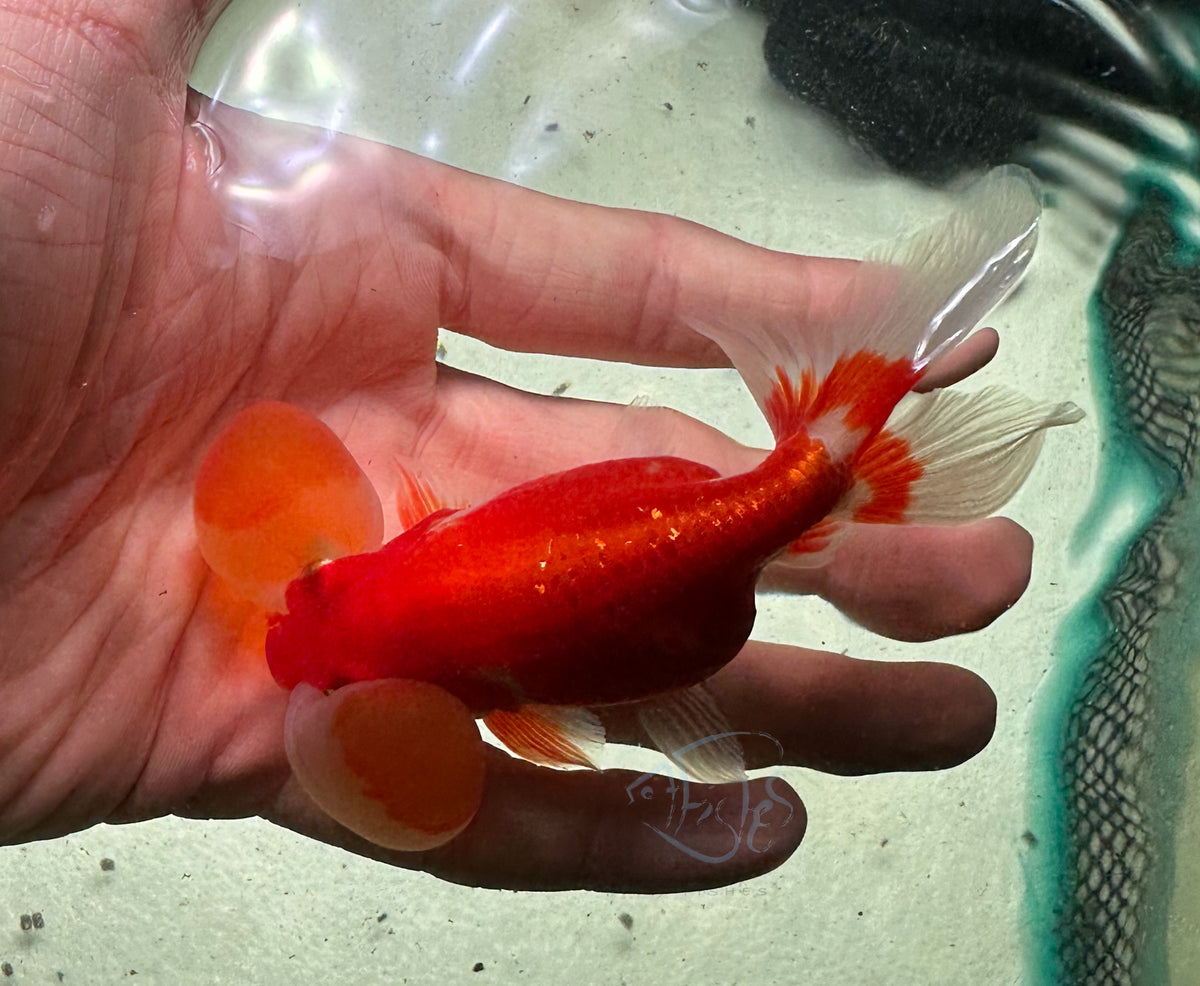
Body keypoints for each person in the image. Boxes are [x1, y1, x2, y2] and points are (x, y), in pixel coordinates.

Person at [0, 0, 1029, 893]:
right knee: (752, 502)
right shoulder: (415, 541)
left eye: (315, 591)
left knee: (749, 519)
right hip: (631, 553)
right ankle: (826, 467)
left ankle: (826, 476)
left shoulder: (464, 683)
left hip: (620, 594)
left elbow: (539, 713)